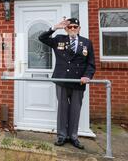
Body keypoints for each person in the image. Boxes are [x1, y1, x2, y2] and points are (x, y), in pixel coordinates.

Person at [38, 17, 95, 150]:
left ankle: (73, 136)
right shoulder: (59, 39)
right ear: (66, 29)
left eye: (75, 27)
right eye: (70, 27)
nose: (73, 29)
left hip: (78, 81)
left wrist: (87, 76)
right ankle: (62, 136)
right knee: (63, 108)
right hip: (62, 80)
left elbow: (91, 63)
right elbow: (42, 38)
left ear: (79, 28)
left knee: (75, 109)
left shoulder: (87, 43)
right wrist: (54, 28)